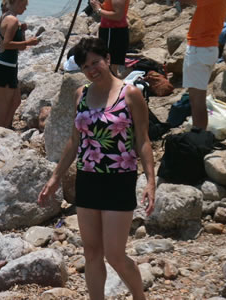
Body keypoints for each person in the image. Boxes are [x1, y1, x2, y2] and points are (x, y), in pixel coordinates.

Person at [38, 38, 155, 300]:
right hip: (88, 179)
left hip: (119, 179)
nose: (92, 69)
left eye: (96, 62)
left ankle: (139, 296)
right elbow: (74, 140)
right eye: (85, 66)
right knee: (91, 253)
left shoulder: (130, 94)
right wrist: (56, 177)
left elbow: (143, 140)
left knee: (114, 254)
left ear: (108, 59)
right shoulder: (81, 94)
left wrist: (150, 181)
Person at [0, 0, 39, 130]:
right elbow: (7, 44)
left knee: (16, 101)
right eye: (24, 5)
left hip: (8, 66)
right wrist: (29, 42)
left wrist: (22, 32)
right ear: (17, 2)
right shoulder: (12, 20)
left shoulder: (3, 19)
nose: (25, 8)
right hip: (4, 67)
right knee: (2, 107)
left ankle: (5, 128)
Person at [180, 0, 226, 129]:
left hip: (200, 48)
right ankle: (199, 132)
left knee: (197, 100)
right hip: (207, 47)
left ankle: (198, 135)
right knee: (198, 98)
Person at [89, 0, 130, 77]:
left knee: (109, 64)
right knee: (111, 64)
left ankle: (111, 84)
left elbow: (118, 15)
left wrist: (98, 9)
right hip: (110, 30)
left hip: (113, 31)